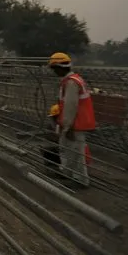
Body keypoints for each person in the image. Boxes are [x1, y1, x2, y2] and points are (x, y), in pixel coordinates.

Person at [48, 52, 96, 188]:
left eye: (54, 69)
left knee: (76, 154)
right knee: (68, 150)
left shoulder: (71, 83)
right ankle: (68, 174)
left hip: (76, 124)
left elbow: (70, 106)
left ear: (60, 67)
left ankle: (80, 180)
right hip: (76, 123)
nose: (54, 72)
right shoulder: (74, 80)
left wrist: (68, 127)